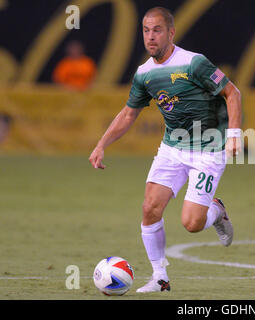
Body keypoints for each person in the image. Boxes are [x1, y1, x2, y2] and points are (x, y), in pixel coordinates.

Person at [88, 7, 242, 293]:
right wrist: (101, 144)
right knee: (150, 208)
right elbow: (128, 114)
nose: (150, 36)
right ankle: (160, 277)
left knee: (192, 224)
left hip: (209, 148)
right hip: (173, 147)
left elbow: (232, 93)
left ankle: (216, 211)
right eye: (146, 30)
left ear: (171, 33)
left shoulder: (194, 63)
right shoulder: (144, 73)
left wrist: (233, 134)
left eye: (157, 30)